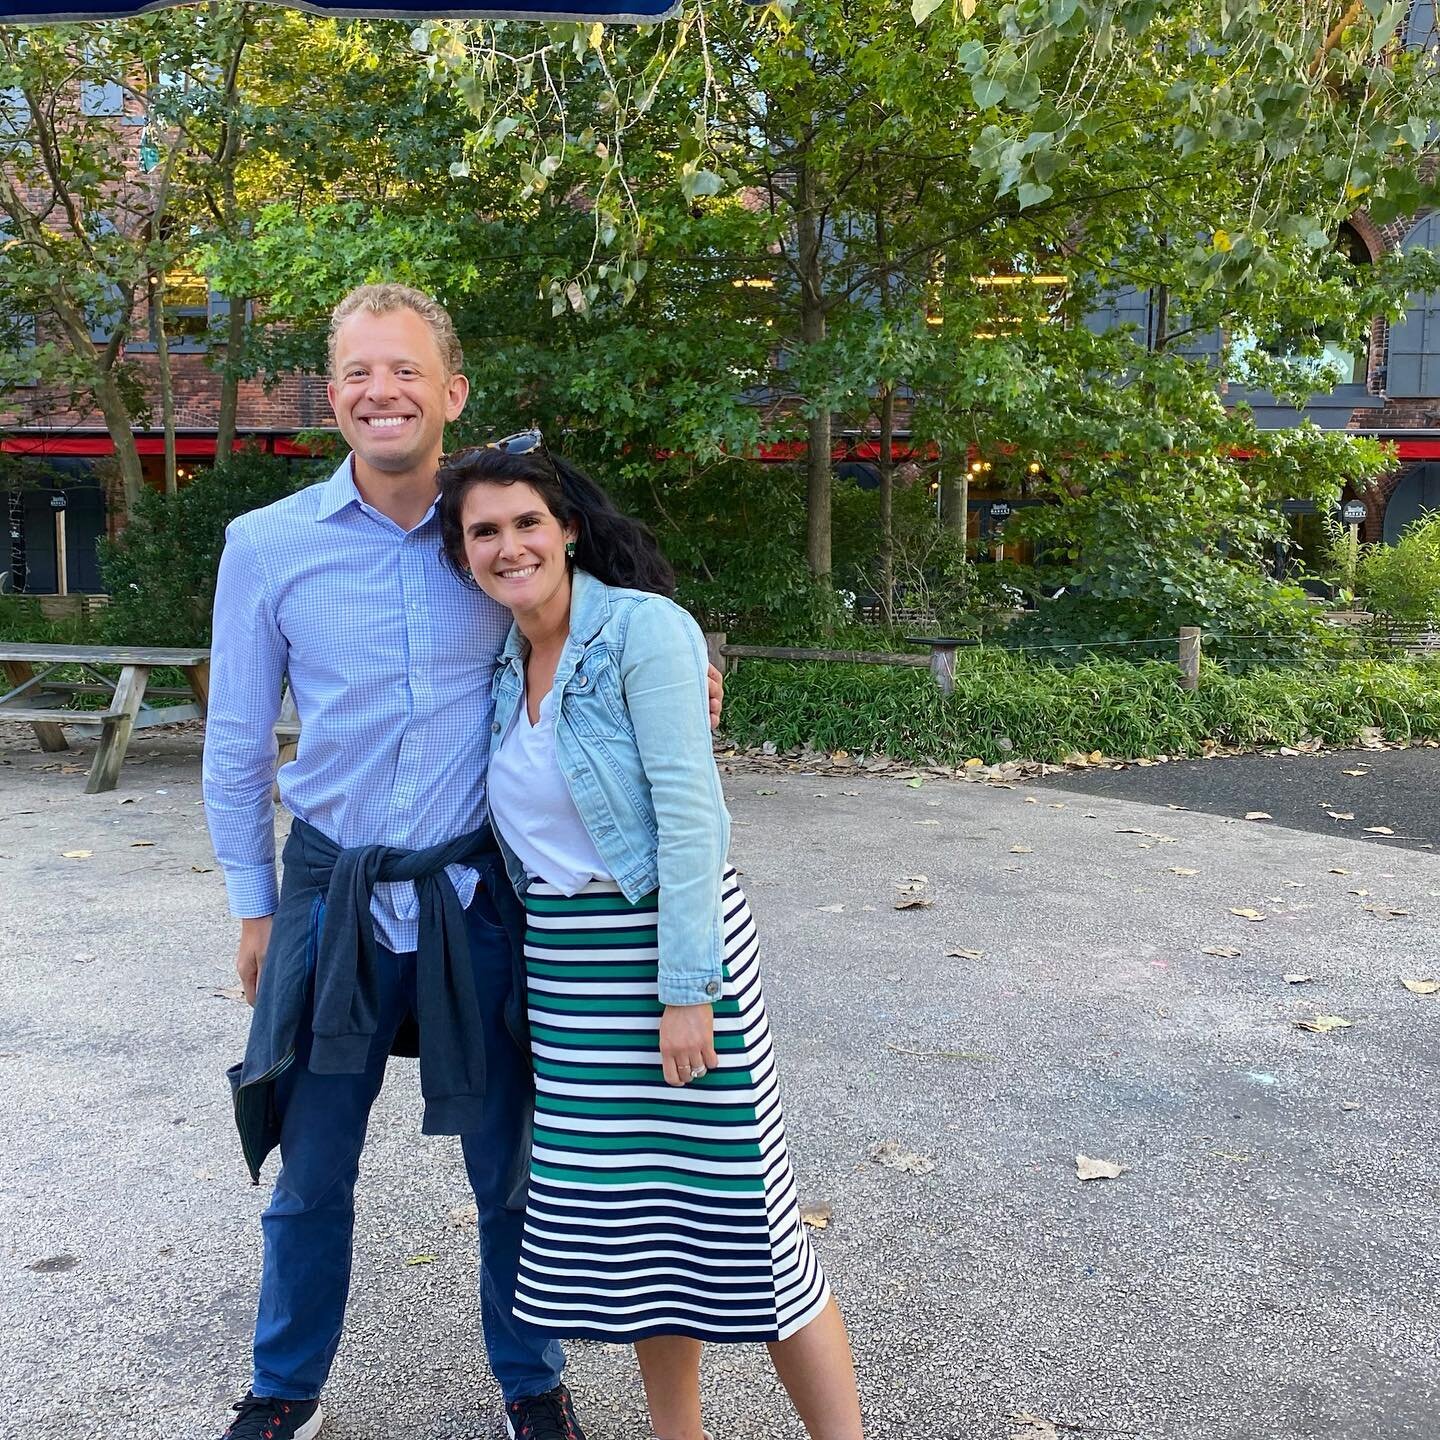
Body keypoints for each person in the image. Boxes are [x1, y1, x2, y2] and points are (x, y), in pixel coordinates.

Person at [203, 283, 718, 1440]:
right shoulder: (267, 545)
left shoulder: (489, 534)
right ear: (330, 394)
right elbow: (236, 745)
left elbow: (597, 616)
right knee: (310, 1171)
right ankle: (282, 1392)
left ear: (451, 391)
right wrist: (252, 905)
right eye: (356, 374)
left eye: (404, 370)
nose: (380, 392)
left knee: (510, 1168)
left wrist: (685, 678)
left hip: (475, 899)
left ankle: (530, 1383)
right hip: (328, 897)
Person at [435, 434, 865, 1440]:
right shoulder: (501, 660)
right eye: (484, 532)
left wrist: (687, 991)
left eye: (527, 523)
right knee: (642, 1242)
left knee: (751, 1233)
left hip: (672, 955)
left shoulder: (644, 631)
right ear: (463, 553)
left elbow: (690, 819)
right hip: (566, 972)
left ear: (569, 528)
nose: (508, 547)